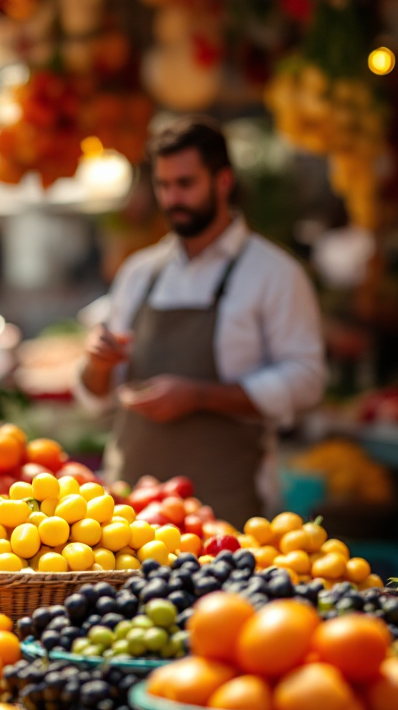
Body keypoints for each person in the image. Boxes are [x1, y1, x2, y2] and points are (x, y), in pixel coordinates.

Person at [78, 116, 326, 522]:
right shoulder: (140, 273)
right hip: (129, 515)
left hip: (227, 514)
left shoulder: (275, 273)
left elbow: (307, 381)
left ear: (223, 181)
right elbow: (97, 398)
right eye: (163, 185)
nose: (172, 198)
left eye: (185, 183)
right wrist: (97, 364)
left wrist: (200, 397)